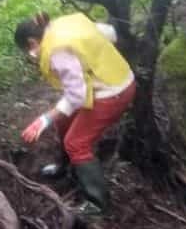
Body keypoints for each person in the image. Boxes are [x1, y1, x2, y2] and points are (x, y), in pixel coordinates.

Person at [15, 12, 136, 215]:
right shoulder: (65, 24)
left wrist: (45, 118)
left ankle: (98, 204)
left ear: (32, 42)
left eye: (28, 50)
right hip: (115, 80)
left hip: (112, 93)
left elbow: (76, 97)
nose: (31, 54)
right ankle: (66, 165)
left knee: (76, 143)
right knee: (64, 122)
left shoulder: (57, 51)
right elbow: (110, 33)